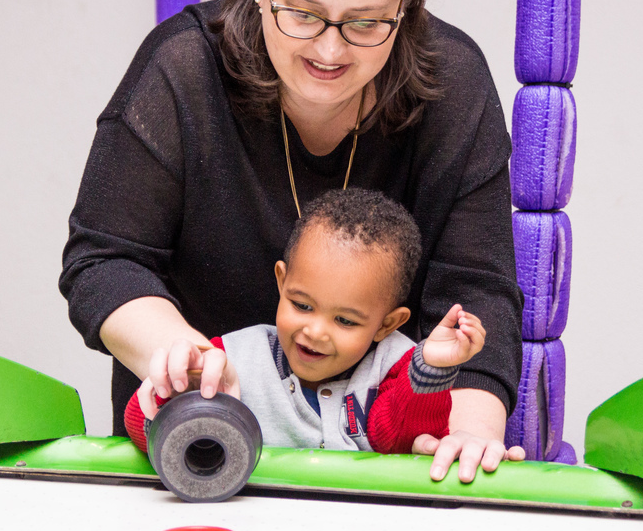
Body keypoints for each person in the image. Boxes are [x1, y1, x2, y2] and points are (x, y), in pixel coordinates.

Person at [61, 0, 525, 482]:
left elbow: (476, 292)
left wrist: (468, 437)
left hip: (380, 472)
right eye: (302, 13)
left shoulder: (453, 82)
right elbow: (103, 262)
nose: (329, 50)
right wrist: (182, 360)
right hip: (198, 455)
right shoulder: (183, 70)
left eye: (366, 23)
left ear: (407, 1)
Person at [126, 189, 487, 459]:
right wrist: (177, 393)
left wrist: (433, 369)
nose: (315, 331)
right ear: (281, 282)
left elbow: (402, 438)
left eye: (345, 320)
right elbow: (144, 433)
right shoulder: (232, 360)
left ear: (387, 324)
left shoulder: (399, 368)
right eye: (301, 304)